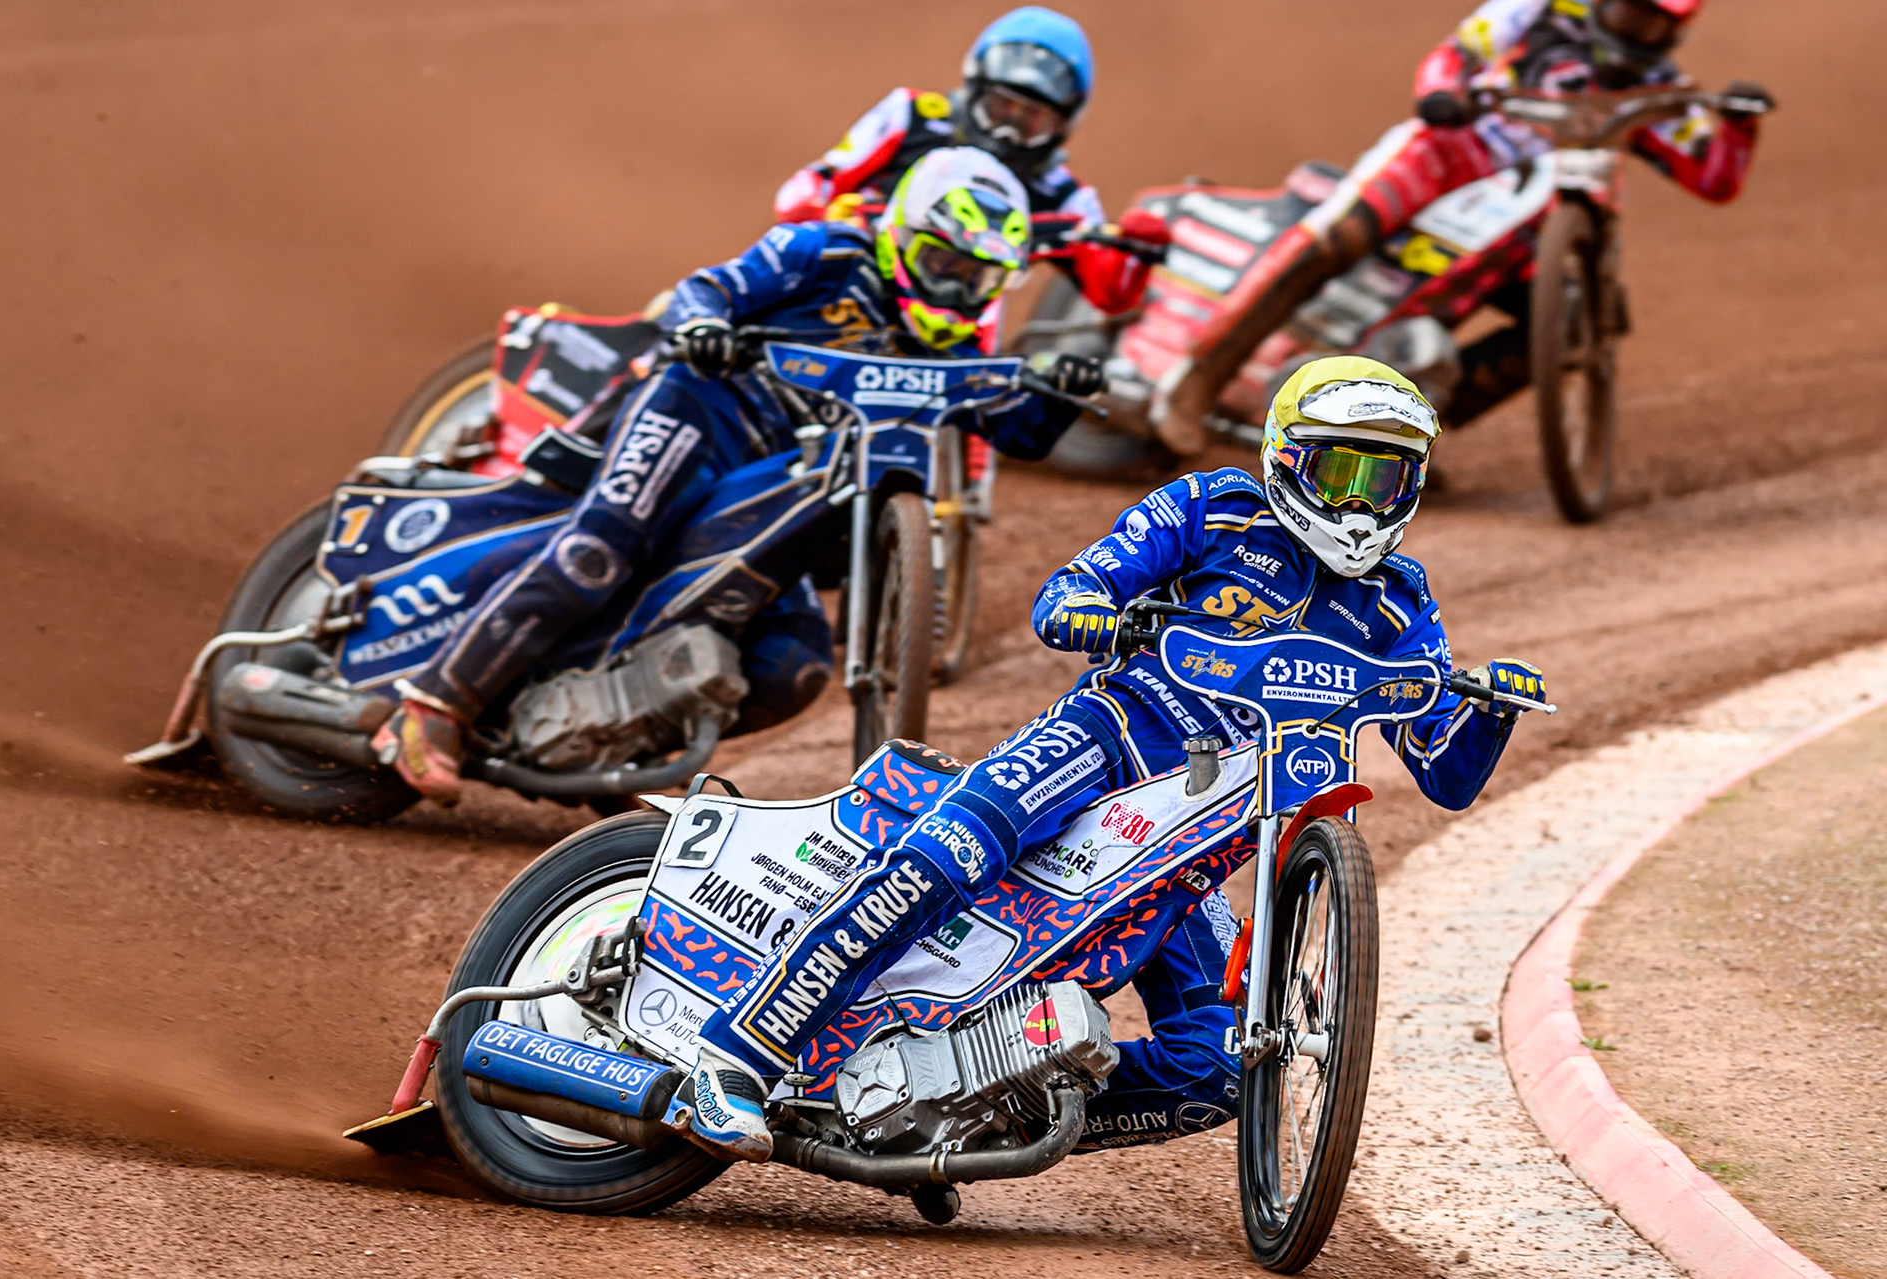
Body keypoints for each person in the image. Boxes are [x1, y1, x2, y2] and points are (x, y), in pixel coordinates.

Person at [680, 355, 1548, 1161]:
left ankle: (985, 1111)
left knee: (1214, 1070)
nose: (1360, 504)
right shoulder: (1211, 506)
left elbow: (1446, 772)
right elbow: (1064, 598)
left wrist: (1490, 711)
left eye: (1384, 478)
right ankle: (733, 1057)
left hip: (1199, 848)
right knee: (941, 859)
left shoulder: (1401, 600)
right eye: (1342, 473)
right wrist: (1102, 612)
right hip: (1101, 746)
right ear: (1288, 459)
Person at [373, 148, 1104, 805]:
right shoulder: (822, 251)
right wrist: (704, 328)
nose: (956, 290)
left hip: (785, 486)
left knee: (793, 665)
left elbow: (1018, 432)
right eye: (946, 264)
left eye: (978, 279)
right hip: (702, 414)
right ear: (906, 236)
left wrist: (1058, 391)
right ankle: (433, 706)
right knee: (601, 551)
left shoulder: (949, 347)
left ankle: (616, 746)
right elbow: (709, 289)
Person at [1154, 0, 1774, 453]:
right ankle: (1197, 383)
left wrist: (1742, 124)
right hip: (1450, 154)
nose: (1635, 30)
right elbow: (1455, 55)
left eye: (1653, 22)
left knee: (1576, 319)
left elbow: (1715, 180)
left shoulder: (1664, 92)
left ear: (1676, 29)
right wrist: (1444, 93)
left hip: (1535, 218)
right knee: (1336, 240)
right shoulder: (1530, 15)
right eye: (1627, 12)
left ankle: (1396, 442)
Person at [774, 6, 1167, 320]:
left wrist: (1139, 250)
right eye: (1002, 107)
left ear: (1064, 124)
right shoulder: (912, 115)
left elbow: (1110, 294)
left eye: (1031, 119)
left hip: (958, 327)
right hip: (847, 293)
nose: (1008, 131)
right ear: (974, 88)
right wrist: (826, 213)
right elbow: (806, 188)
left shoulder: (1064, 194)